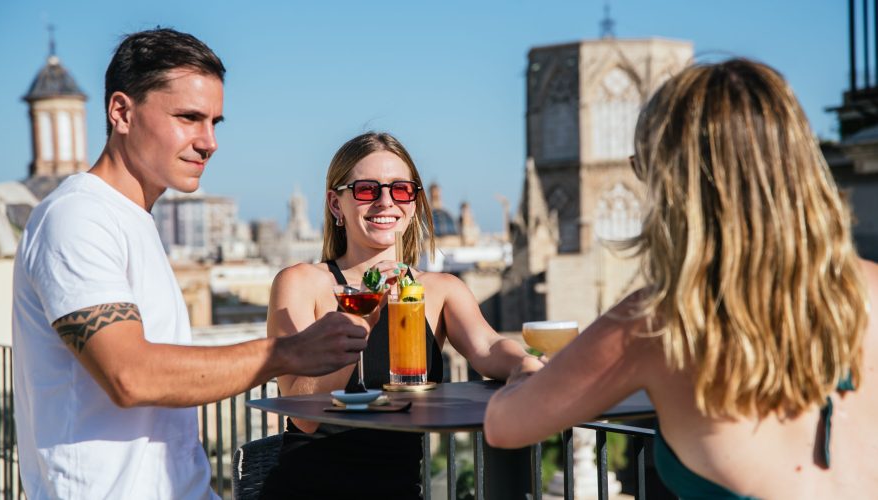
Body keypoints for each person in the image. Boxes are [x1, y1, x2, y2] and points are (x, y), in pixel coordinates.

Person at [484, 58, 878, 499]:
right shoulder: (873, 291)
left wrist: (522, 376)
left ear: (674, 183)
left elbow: (505, 426)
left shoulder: (659, 322)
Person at [12, 28, 370, 499]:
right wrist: (286, 354)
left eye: (215, 122)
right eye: (188, 118)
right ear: (121, 112)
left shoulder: (131, 220)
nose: (209, 142)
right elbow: (131, 375)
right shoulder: (76, 216)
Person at [259, 131, 539, 499]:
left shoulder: (440, 290)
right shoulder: (301, 284)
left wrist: (525, 366)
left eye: (401, 190)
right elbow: (303, 414)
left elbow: (488, 347)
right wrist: (362, 319)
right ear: (335, 204)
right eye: (366, 190)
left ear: (414, 202)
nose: (386, 202)